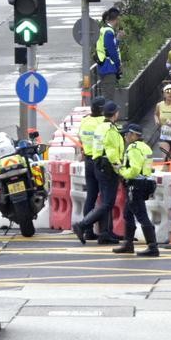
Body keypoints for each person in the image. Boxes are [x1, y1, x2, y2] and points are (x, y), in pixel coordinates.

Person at [73, 101, 123, 245]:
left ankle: (103, 233)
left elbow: (83, 139)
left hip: (95, 162)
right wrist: (119, 168)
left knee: (96, 198)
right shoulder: (109, 129)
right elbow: (112, 151)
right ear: (115, 114)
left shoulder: (97, 126)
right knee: (107, 202)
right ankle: (83, 225)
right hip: (107, 166)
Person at [113, 123, 160, 257]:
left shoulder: (133, 148)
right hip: (144, 183)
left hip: (136, 184)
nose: (125, 137)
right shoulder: (145, 147)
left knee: (141, 215)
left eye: (127, 134)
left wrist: (121, 171)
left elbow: (134, 170)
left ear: (134, 135)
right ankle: (128, 243)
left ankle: (152, 246)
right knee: (128, 213)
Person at [76, 97, 107, 240]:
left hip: (88, 160)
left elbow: (80, 138)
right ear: (102, 109)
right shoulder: (103, 122)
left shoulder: (85, 120)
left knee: (91, 197)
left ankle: (88, 231)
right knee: (105, 198)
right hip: (101, 161)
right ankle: (105, 231)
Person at [94, 8, 123, 94]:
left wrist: (118, 39)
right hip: (109, 67)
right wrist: (118, 66)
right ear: (116, 19)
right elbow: (112, 52)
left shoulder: (103, 29)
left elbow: (108, 47)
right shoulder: (109, 32)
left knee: (106, 94)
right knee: (108, 96)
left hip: (103, 66)